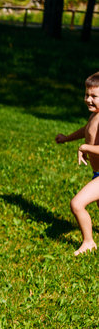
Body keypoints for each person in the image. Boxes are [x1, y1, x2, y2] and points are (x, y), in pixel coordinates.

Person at [55, 71, 99, 256]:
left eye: (94, 96)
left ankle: (88, 242)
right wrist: (67, 138)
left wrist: (85, 148)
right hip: (97, 173)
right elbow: (86, 130)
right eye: (86, 95)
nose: (88, 99)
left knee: (77, 204)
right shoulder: (94, 116)